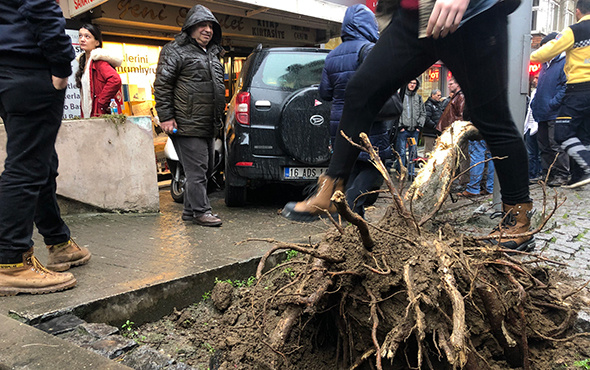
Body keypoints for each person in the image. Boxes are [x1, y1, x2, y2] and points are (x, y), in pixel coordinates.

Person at [282, 0, 535, 252]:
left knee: (490, 116)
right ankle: (332, 191)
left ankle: (518, 219)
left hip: (471, 16)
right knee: (361, 91)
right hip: (415, 16)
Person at [0, 0, 92, 296]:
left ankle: (58, 241)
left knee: (39, 161)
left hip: (8, 68)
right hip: (28, 65)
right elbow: (40, 4)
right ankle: (11, 261)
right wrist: (60, 62)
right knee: (27, 166)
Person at [154, 4, 225, 227]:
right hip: (187, 123)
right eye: (202, 25)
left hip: (208, 123)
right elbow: (162, 85)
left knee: (205, 168)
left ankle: (189, 211)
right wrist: (166, 117)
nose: (208, 30)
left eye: (211, 26)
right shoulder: (175, 50)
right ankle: (201, 211)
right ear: (191, 27)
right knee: (198, 170)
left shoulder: (212, 54)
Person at [531, 0, 590, 189]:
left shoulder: (575, 30)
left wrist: (525, 54)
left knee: (562, 133)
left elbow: (545, 52)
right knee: (583, 135)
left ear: (578, 11)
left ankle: (586, 165)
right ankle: (579, 175)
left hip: (579, 88)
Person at [530, 33, 569, 187]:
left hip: (555, 113)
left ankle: (562, 174)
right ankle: (547, 174)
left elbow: (566, 86)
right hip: (542, 113)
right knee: (544, 146)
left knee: (556, 144)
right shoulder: (545, 65)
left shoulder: (564, 63)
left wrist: (553, 103)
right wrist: (535, 104)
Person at [75, 24, 123, 118]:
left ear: (97, 42)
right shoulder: (84, 63)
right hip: (89, 115)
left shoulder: (99, 62)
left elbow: (115, 80)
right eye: (80, 36)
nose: (82, 39)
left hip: (100, 116)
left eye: (87, 36)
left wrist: (101, 103)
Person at [396, 79, 425, 177]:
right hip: (403, 129)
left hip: (414, 130)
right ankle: (402, 173)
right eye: (410, 83)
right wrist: (400, 126)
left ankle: (411, 173)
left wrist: (419, 126)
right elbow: (397, 112)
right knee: (402, 153)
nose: (412, 85)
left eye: (414, 83)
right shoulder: (401, 97)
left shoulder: (418, 98)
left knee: (413, 153)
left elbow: (423, 113)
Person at [524, 79, 542, 183]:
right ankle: (531, 174)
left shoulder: (545, 91)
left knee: (539, 153)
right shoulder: (534, 92)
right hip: (530, 125)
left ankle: (540, 173)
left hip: (539, 124)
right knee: (531, 153)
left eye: (537, 78)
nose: (535, 80)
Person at [423, 89, 443, 154]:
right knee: (428, 152)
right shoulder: (428, 105)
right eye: (438, 95)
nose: (439, 97)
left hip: (437, 132)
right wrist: (435, 126)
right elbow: (426, 119)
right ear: (433, 95)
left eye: (440, 95)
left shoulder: (439, 104)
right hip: (430, 132)